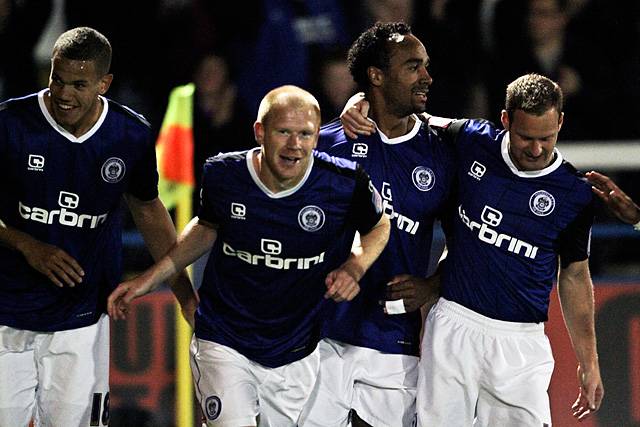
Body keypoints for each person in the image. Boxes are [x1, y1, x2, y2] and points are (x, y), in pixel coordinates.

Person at [107, 85, 391, 426]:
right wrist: (147, 281)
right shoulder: (224, 174)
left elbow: (379, 226)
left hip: (297, 349)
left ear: (317, 137)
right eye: (283, 132)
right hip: (224, 339)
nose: (294, 145)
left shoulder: (344, 183)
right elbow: (206, 227)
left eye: (305, 134)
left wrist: (355, 266)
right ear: (260, 132)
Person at [341, 73, 605, 425]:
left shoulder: (574, 194)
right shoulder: (469, 139)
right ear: (505, 120)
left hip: (521, 342)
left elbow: (573, 276)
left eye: (547, 137)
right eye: (526, 137)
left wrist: (588, 362)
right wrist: (359, 102)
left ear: (560, 122)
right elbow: (407, 112)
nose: (537, 148)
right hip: (454, 326)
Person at [0, 27, 198, 426]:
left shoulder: (129, 135)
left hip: (82, 317)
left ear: (104, 84)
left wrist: (184, 294)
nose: (64, 93)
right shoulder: (10, 123)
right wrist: (25, 244)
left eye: (78, 84)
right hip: (7, 310)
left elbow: (149, 212)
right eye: (57, 79)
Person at [299, 21, 455, 427]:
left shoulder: (440, 155)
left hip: (393, 340)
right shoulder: (329, 144)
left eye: (426, 66)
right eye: (413, 67)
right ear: (376, 76)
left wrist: (432, 285)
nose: (427, 76)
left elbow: (468, 239)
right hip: (320, 334)